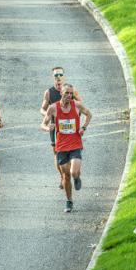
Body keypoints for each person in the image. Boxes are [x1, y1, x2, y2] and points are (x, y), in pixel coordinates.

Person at [40, 83, 92, 213]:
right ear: (61, 93)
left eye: (71, 93)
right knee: (65, 175)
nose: (69, 95)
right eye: (67, 93)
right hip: (61, 147)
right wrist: (48, 128)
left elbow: (89, 114)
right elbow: (43, 124)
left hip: (75, 144)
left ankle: (77, 177)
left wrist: (83, 127)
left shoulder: (77, 105)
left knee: (73, 172)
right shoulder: (53, 108)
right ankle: (69, 201)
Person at [40, 67, 81, 189]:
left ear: (64, 77)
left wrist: (76, 119)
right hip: (55, 128)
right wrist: (48, 114)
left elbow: (80, 105)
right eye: (55, 75)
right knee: (57, 153)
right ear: (53, 78)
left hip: (70, 127)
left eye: (60, 75)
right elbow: (42, 108)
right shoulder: (48, 92)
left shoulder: (71, 90)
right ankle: (62, 176)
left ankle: (75, 172)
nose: (58, 77)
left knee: (72, 151)